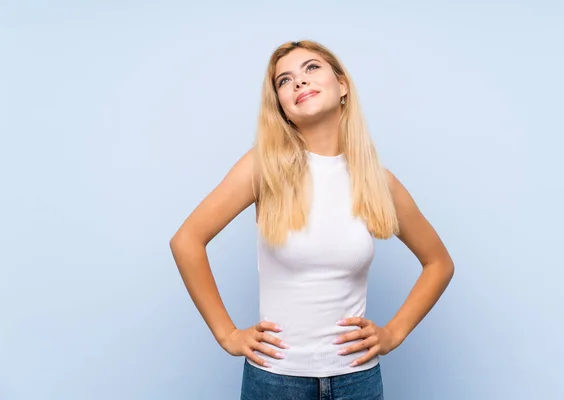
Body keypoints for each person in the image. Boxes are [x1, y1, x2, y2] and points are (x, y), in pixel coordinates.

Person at [169, 40, 455, 400]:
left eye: (311, 68)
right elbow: (186, 240)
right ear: (282, 107)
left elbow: (439, 263)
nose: (299, 82)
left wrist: (393, 333)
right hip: (276, 382)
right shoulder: (263, 168)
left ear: (342, 86)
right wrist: (227, 334)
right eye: (284, 81)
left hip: (357, 382)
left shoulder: (377, 180)